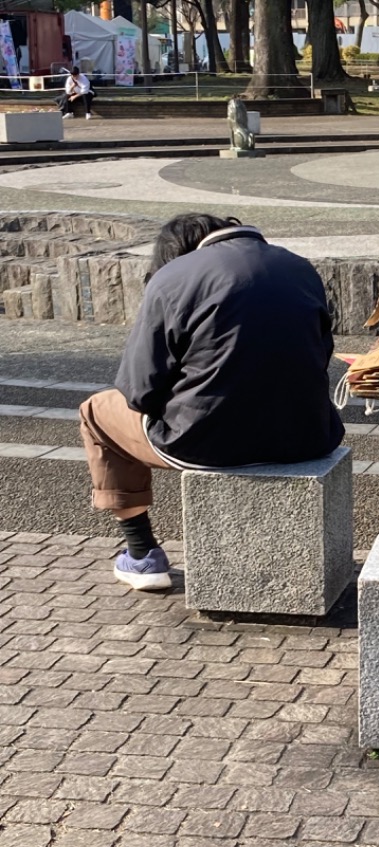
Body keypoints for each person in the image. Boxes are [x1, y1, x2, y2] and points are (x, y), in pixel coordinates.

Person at [78, 214, 345, 591]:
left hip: (205, 443)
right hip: (309, 435)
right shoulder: (299, 267)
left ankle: (142, 555)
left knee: (95, 412)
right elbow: (319, 355)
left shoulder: (173, 278)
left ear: (173, 252)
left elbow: (139, 392)